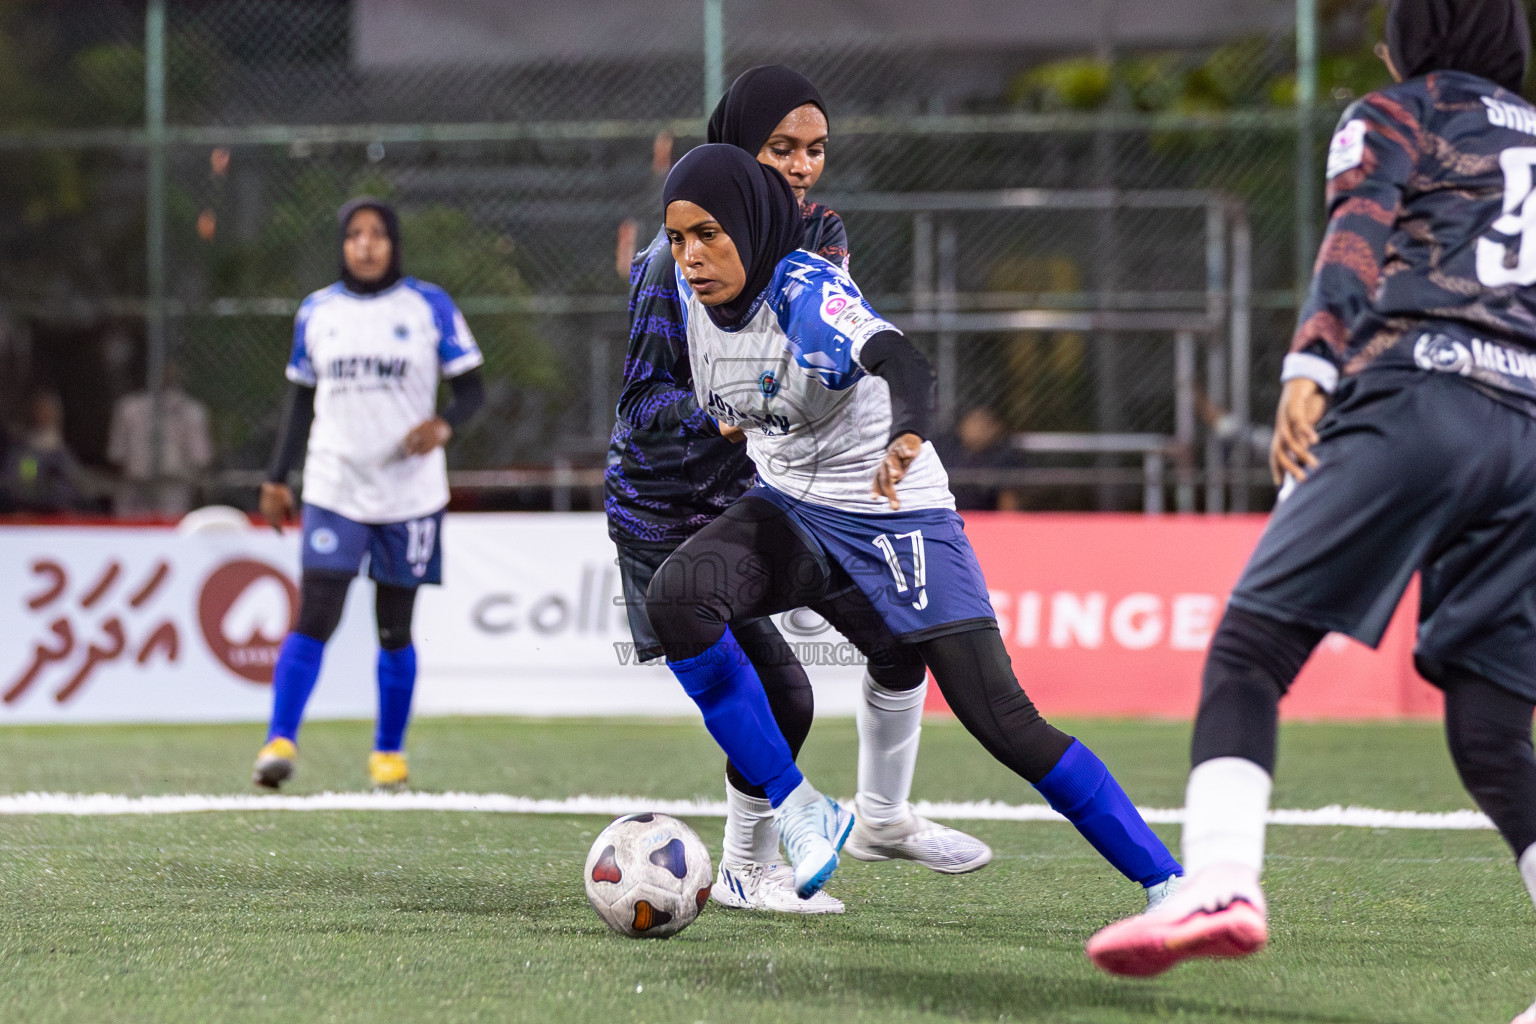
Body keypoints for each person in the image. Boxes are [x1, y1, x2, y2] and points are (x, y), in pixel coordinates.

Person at [1086, 5, 1536, 1013]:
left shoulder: (1397, 113)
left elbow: (1359, 230)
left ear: (1407, 43)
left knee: (1250, 650)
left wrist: (1310, 363)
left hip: (1422, 393)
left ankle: (1217, 882)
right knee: (1493, 730)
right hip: (1529, 433)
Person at [646, 143, 1183, 902]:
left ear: (747, 224)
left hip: (890, 510)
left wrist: (907, 432)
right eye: (677, 239)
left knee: (1000, 718)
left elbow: (901, 358)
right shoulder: (683, 293)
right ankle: (799, 810)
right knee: (677, 598)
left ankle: (1168, 884)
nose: (691, 256)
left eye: (708, 234)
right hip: (794, 506)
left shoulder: (803, 291)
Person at [606, 66, 988, 913]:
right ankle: (748, 865)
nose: (803, 165)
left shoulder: (820, 232)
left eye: (816, 149)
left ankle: (883, 817)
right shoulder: (671, 264)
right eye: (782, 148)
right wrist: (718, 417)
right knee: (787, 691)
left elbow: (816, 347)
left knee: (901, 637)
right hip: (668, 513)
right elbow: (639, 403)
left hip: (779, 499)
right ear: (731, 155)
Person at [252, 197, 485, 792]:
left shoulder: (429, 305)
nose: (365, 244)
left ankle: (388, 756)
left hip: (410, 494)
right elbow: (300, 400)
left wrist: (444, 425)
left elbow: (473, 390)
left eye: (377, 233)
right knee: (315, 615)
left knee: (393, 628)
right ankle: (279, 742)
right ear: (342, 244)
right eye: (354, 233)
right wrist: (279, 476)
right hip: (334, 485)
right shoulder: (317, 312)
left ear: (393, 242)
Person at [107, 362, 213, 518]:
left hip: (169, 486)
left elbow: (117, 454)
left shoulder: (129, 407)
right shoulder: (193, 411)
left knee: (134, 535)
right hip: (143, 487)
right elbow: (201, 458)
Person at [931, 404, 1026, 511]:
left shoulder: (1005, 457)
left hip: (985, 521)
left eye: (985, 424)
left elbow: (1008, 507)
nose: (978, 429)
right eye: (973, 422)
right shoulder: (945, 452)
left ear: (997, 428)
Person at [2, 391, 84, 514]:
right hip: (25, 511)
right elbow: (19, 482)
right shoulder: (25, 450)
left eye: (47, 411)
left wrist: (52, 490)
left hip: (57, 512)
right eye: (40, 410)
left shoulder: (62, 452)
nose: (43, 415)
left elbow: (74, 484)